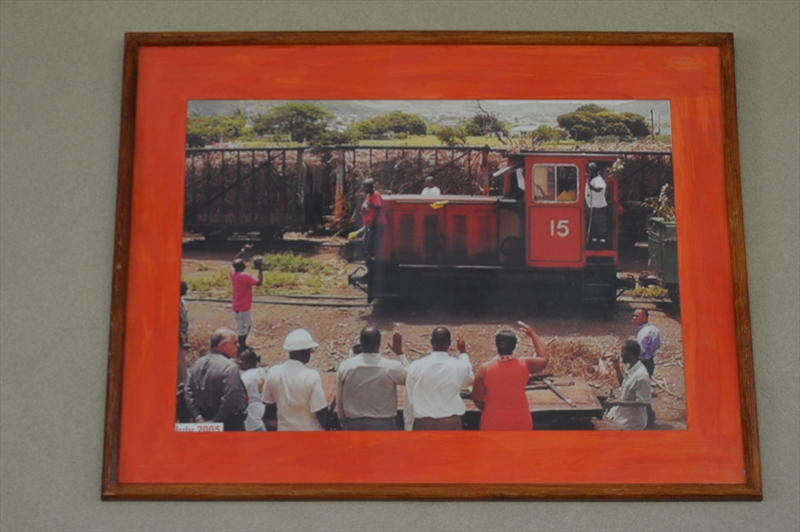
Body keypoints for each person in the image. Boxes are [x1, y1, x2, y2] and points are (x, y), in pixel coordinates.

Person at [471, 322, 550, 430]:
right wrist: (533, 335)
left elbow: (477, 399)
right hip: (520, 422)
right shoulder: (525, 364)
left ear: (496, 345)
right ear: (514, 346)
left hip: (493, 424)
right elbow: (544, 358)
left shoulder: (484, 369)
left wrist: (490, 409)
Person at [336, 327, 408, 430]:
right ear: (379, 343)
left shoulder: (346, 366)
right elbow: (410, 379)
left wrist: (342, 418)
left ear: (361, 342)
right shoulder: (391, 367)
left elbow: (339, 396)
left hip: (354, 424)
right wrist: (399, 353)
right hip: (383, 425)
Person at [403, 327, 474, 430]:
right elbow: (470, 380)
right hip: (451, 424)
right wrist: (463, 354)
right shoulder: (459, 366)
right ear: (449, 344)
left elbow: (409, 399)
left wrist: (408, 427)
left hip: (424, 424)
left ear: (431, 342)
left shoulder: (415, 366)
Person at [261, 329, 333, 431]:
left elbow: (269, 405)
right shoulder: (311, 376)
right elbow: (320, 412)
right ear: (305, 352)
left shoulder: (273, 372)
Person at [183, 327, 248, 431]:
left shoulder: (198, 363)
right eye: (235, 343)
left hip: (203, 421)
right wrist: (215, 423)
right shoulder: (229, 367)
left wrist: (198, 417)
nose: (238, 345)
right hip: (228, 425)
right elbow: (230, 398)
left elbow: (188, 391)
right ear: (224, 345)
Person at [605, 340, 653, 430]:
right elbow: (623, 384)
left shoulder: (641, 376)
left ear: (631, 354)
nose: (621, 354)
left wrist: (616, 403)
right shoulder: (632, 368)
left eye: (623, 351)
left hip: (631, 422)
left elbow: (644, 402)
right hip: (622, 415)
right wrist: (617, 369)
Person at [230, 243, 264, 352]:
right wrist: (260, 270)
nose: (244, 263)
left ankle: (242, 345)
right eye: (243, 263)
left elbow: (234, 261)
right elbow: (259, 282)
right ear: (241, 267)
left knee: (247, 326)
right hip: (242, 307)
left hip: (240, 306)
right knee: (243, 329)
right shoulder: (245, 276)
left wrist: (243, 250)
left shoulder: (234, 273)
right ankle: (240, 348)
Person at [237, 348, 267, 431]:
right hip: (260, 406)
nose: (239, 361)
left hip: (250, 411)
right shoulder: (260, 371)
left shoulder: (246, 377)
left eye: (242, 359)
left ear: (249, 363)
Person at [176, 280, 191, 422]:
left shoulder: (181, 302)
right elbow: (178, 325)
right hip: (177, 339)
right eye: (184, 289)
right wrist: (183, 341)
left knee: (182, 366)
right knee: (179, 367)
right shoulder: (174, 304)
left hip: (182, 337)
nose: (186, 291)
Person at [360, 178, 387, 260]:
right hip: (369, 224)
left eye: (365, 187)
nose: (364, 189)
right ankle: (369, 257)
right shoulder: (368, 196)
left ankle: (374, 258)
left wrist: (372, 221)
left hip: (377, 224)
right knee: (365, 242)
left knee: (373, 243)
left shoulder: (376, 195)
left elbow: (378, 209)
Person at [584, 162, 608, 248]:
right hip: (591, 205)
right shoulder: (590, 179)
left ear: (595, 170)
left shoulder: (599, 180)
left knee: (600, 224)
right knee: (593, 225)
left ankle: (602, 243)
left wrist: (592, 187)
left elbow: (599, 189)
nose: (589, 171)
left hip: (599, 206)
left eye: (590, 170)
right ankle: (594, 242)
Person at [632, 308, 661, 378]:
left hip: (642, 363)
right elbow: (658, 345)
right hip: (650, 362)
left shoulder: (643, 333)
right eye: (633, 316)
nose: (634, 318)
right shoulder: (654, 329)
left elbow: (641, 350)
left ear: (644, 317)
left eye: (636, 316)